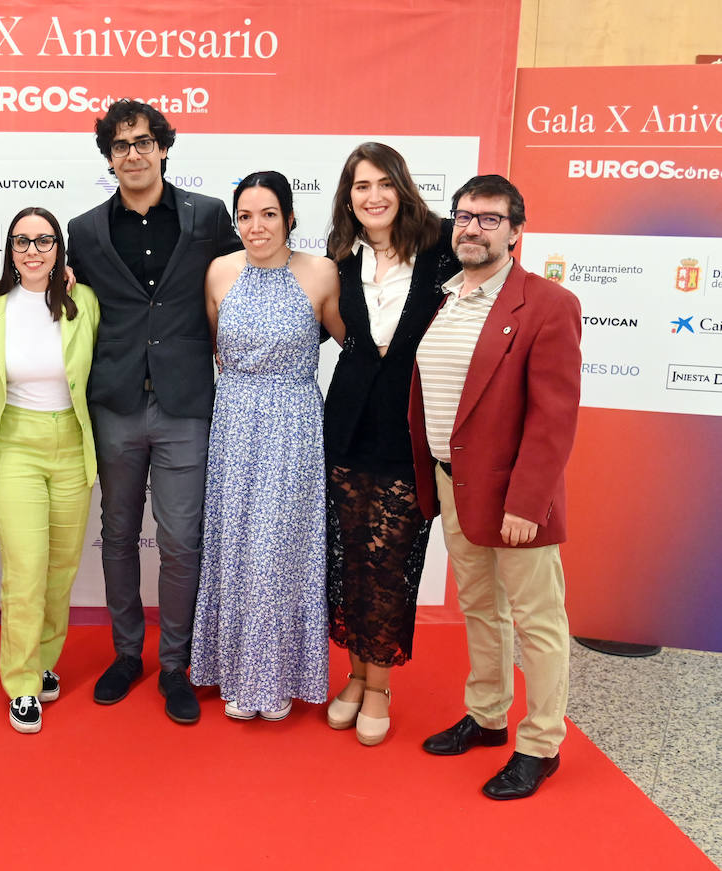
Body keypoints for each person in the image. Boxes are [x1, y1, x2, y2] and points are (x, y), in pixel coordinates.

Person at [66, 98, 242, 725]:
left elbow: (242, 283)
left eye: (142, 142)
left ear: (163, 147)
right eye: (120, 146)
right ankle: (124, 655)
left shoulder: (210, 217)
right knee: (115, 537)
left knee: (181, 540)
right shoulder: (83, 230)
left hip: (187, 403)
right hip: (113, 402)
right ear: (108, 158)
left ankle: (175, 665)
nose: (133, 154)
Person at [410, 174, 581, 800]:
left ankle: (540, 744)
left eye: (488, 218)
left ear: (515, 230)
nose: (472, 228)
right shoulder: (447, 296)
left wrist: (527, 504)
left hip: (515, 500)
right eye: (463, 216)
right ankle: (486, 717)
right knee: (480, 608)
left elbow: (553, 418)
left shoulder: (547, 304)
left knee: (538, 619)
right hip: (452, 485)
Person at [189, 171, 344, 721]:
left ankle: (276, 677)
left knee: (279, 551)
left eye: (269, 214)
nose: (257, 227)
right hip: (233, 424)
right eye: (246, 216)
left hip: (294, 426)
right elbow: (212, 345)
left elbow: (355, 347)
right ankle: (235, 671)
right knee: (234, 546)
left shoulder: (321, 273)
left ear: (291, 217)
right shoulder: (219, 272)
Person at [322, 143, 460, 745]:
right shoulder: (340, 261)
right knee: (349, 557)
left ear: (402, 187)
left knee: (392, 561)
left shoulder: (442, 248)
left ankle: (379, 685)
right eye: (359, 186)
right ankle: (353, 676)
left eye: (382, 183)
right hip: (348, 426)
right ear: (347, 198)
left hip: (410, 428)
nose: (372, 196)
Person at [0, 207, 100, 734]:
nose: (32, 250)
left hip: (72, 443)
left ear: (59, 249)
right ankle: (21, 683)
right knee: (24, 570)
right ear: (10, 250)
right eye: (21, 241)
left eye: (43, 241)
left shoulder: (84, 302)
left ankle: (45, 659)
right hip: (14, 447)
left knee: (61, 569)